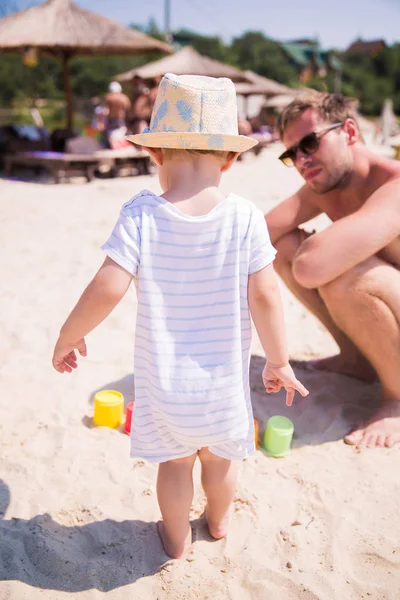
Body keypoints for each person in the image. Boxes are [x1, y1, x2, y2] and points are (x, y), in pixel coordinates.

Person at [52, 73, 308, 559]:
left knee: (174, 466)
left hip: (165, 390)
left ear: (155, 154)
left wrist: (69, 335)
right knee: (221, 461)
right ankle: (218, 519)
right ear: (231, 159)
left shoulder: (141, 214)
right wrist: (279, 361)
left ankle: (174, 539)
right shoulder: (246, 217)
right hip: (224, 388)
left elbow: (107, 286)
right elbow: (267, 296)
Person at [265, 90, 400, 449]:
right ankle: (356, 359)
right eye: (291, 153)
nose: (301, 159)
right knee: (282, 247)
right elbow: (262, 234)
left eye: (309, 143)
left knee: (341, 274)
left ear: (350, 133)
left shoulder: (394, 184)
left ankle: (397, 398)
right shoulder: (326, 185)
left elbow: (310, 267)